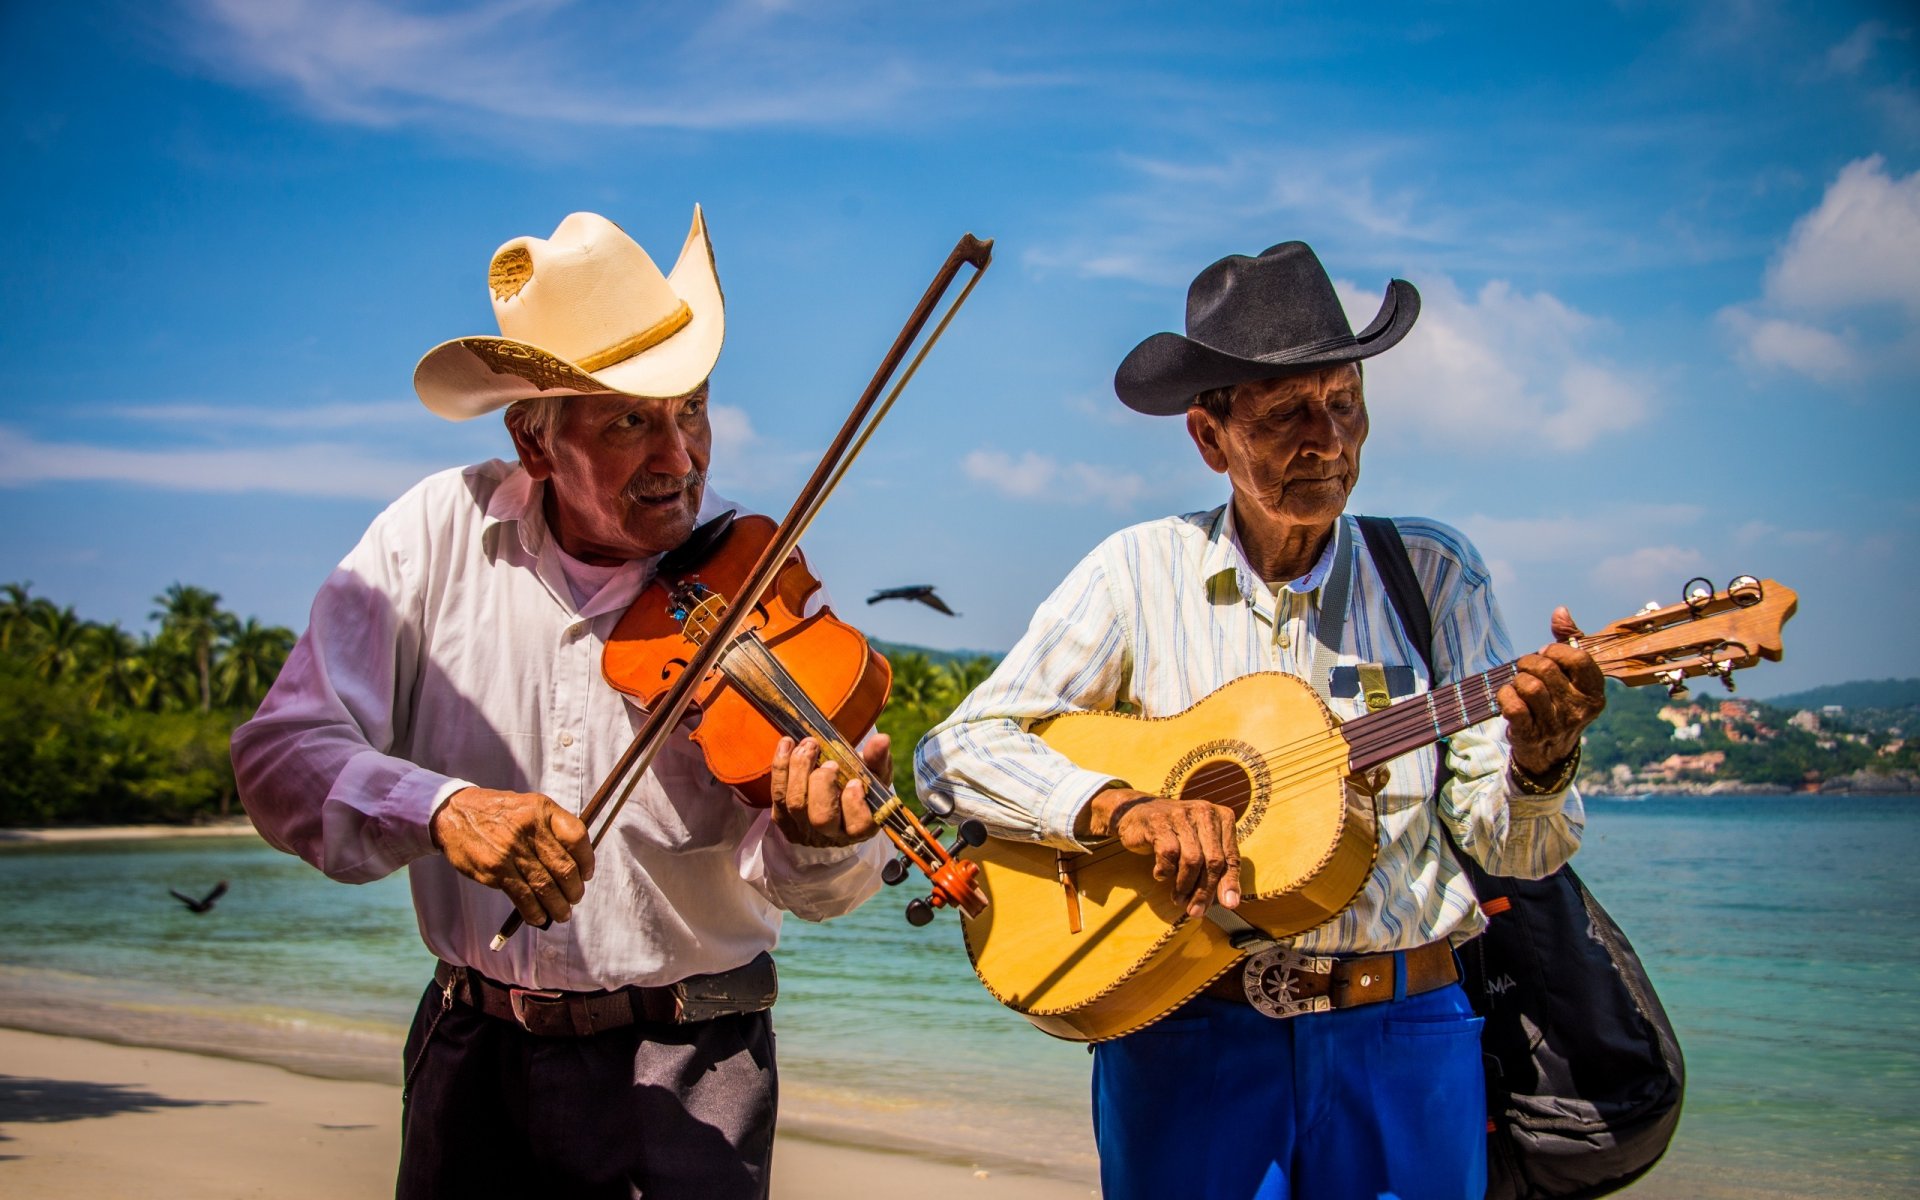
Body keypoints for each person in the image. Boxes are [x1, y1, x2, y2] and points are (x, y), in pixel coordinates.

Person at [915, 241, 1607, 1200]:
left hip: (1404, 1035)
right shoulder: (1136, 572)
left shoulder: (1435, 574)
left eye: (1345, 404)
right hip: (1189, 1031)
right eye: (1286, 415)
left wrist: (1542, 763)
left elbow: (1516, 852)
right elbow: (953, 752)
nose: (1326, 439)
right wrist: (1115, 808)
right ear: (1209, 437)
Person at [234, 207, 891, 1200]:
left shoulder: (758, 577)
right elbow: (281, 755)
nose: (680, 458)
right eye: (630, 419)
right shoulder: (430, 535)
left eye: (694, 408)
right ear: (533, 442)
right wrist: (444, 809)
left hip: (691, 1065)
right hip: (472, 1057)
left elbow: (825, 887)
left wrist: (824, 840)